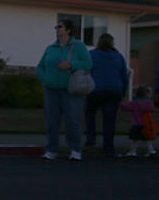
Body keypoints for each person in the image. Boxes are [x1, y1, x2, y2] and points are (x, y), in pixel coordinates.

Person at [36, 19, 92, 161]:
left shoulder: (78, 46)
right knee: (51, 121)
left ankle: (75, 149)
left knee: (73, 120)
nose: (57, 29)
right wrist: (45, 79)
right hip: (51, 90)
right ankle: (51, 149)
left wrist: (71, 65)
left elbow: (88, 64)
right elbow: (40, 66)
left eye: (59, 27)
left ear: (68, 30)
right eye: (56, 27)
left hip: (71, 90)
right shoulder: (50, 48)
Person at [84, 33, 128, 158]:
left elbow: (87, 72)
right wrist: (123, 92)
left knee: (90, 111)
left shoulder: (92, 55)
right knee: (109, 119)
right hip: (114, 90)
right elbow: (124, 76)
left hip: (96, 90)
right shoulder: (118, 56)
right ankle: (108, 147)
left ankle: (91, 138)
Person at [120, 86, 157, 157]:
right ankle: (151, 150)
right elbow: (152, 109)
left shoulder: (135, 103)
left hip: (136, 123)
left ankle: (133, 151)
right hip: (146, 124)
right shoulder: (150, 103)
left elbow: (125, 107)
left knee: (135, 139)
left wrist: (121, 103)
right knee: (147, 138)